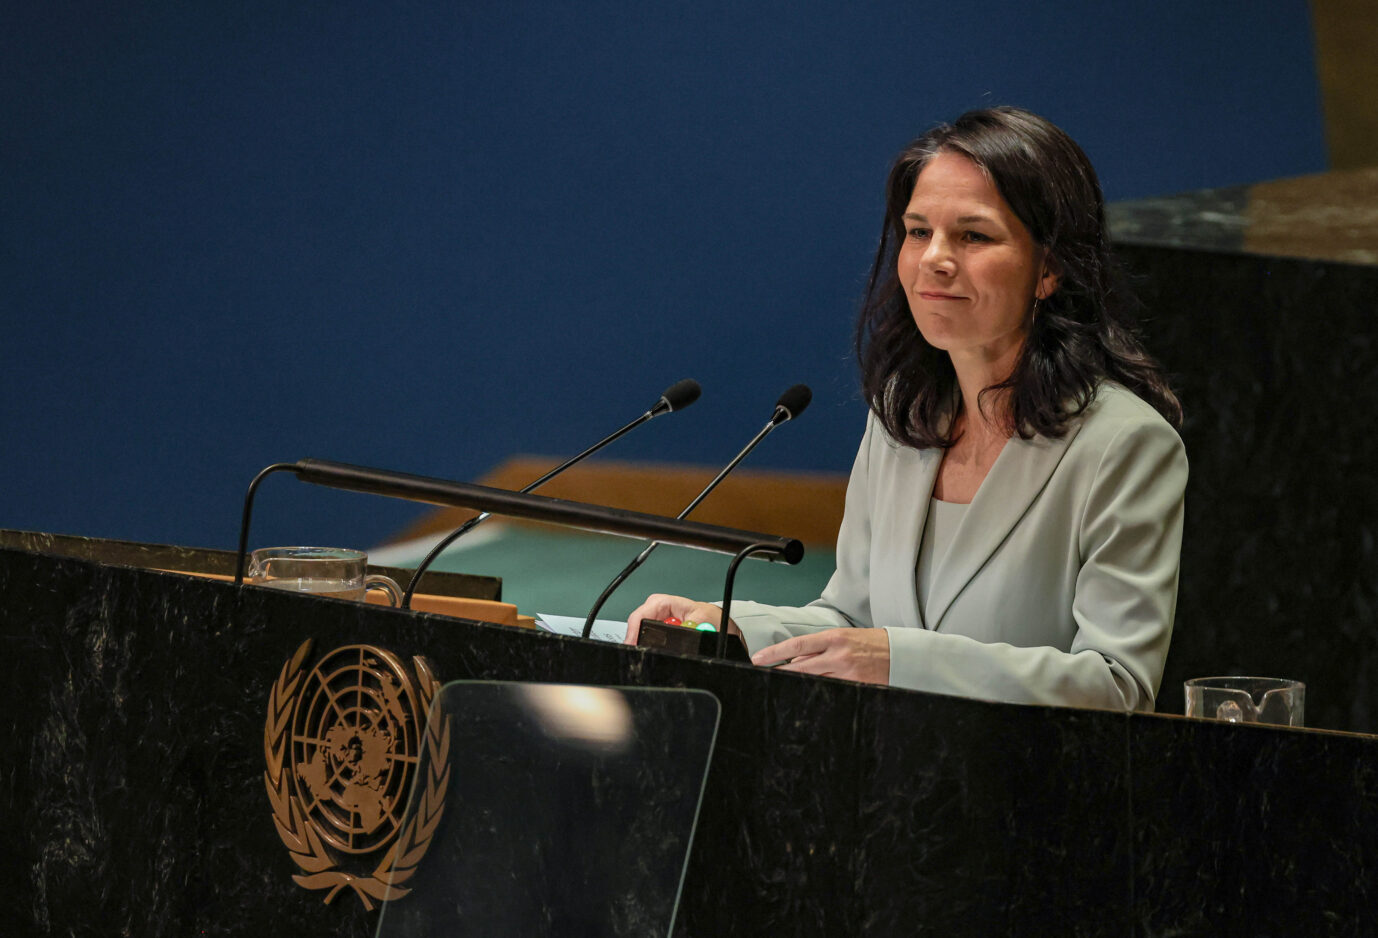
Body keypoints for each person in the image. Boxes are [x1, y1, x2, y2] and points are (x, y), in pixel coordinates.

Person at [626, 106, 1186, 712]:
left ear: (1048, 269)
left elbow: (1116, 684)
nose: (934, 259)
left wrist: (903, 660)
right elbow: (849, 615)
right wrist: (730, 626)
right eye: (918, 232)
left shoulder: (1124, 443)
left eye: (973, 235)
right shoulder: (904, 413)